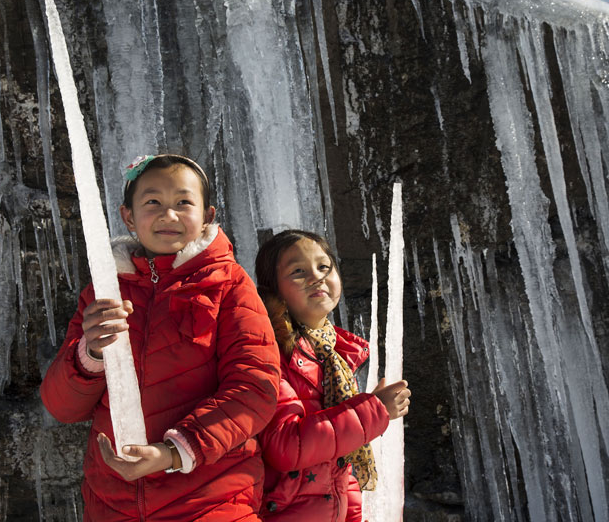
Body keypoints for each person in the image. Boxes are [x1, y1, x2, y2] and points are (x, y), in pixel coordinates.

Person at [40, 154, 281, 521]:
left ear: (207, 217)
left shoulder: (230, 285)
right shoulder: (103, 291)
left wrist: (174, 452)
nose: (169, 216)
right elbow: (63, 407)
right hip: (112, 502)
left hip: (212, 498)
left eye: (184, 203)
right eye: (153, 202)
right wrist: (89, 354)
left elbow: (255, 389)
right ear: (128, 217)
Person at [253, 229, 411, 521]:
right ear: (273, 290)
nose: (316, 277)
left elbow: (339, 468)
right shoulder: (269, 352)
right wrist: (373, 410)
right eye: (298, 271)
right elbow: (286, 446)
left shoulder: (332, 355)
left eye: (324, 267)